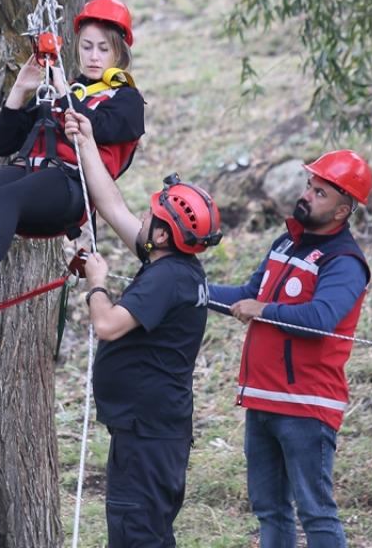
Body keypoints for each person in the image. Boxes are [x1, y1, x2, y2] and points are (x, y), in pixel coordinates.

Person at [0, 0, 145, 316]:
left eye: (103, 48)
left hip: (73, 189)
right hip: (37, 177)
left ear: (119, 51)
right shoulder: (70, 89)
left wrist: (64, 96)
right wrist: (20, 89)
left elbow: (98, 127)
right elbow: (2, 144)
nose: (93, 56)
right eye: (86, 47)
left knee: (8, 195)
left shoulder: (126, 99)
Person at [63, 109, 222, 548]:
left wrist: (97, 284)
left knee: (139, 536)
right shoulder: (172, 265)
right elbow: (112, 206)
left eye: (154, 215)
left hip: (148, 438)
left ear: (166, 235)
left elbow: (109, 325)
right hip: (149, 432)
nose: (145, 218)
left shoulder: (167, 278)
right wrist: (87, 142)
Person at [209, 150, 372, 548]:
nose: (307, 196)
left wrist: (263, 310)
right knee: (269, 509)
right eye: (309, 187)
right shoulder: (285, 243)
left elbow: (321, 319)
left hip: (306, 406)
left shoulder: (346, 262)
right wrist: (188, 290)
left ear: (343, 210)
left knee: (315, 512)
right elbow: (249, 295)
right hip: (262, 401)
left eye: (320, 193)